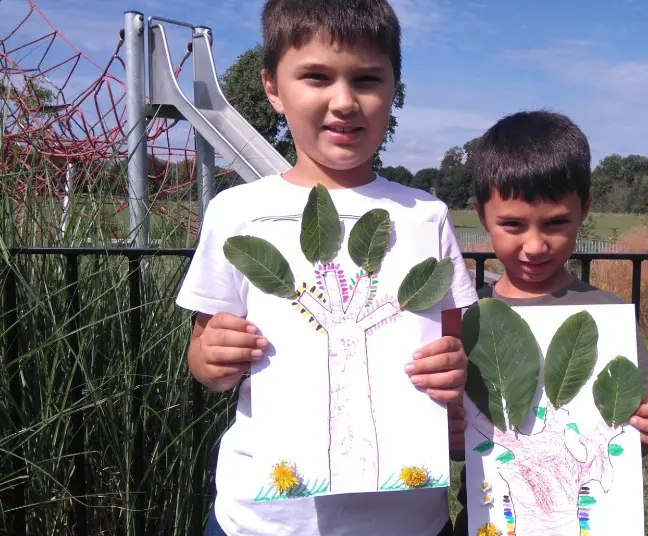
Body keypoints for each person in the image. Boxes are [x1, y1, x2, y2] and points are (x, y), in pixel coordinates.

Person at [174, 1, 479, 535]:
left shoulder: (424, 216)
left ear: (392, 88)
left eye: (366, 79)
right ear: (273, 87)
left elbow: (452, 355)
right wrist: (213, 357)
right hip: (263, 520)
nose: (344, 102)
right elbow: (204, 363)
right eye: (315, 76)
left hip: (404, 520)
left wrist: (453, 373)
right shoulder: (238, 212)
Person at [453, 110, 648, 533]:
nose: (535, 245)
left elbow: (623, 428)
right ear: (481, 213)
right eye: (512, 224)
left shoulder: (608, 316)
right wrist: (446, 437)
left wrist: (641, 432)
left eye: (556, 223)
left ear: (584, 209)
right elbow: (453, 438)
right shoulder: (465, 319)